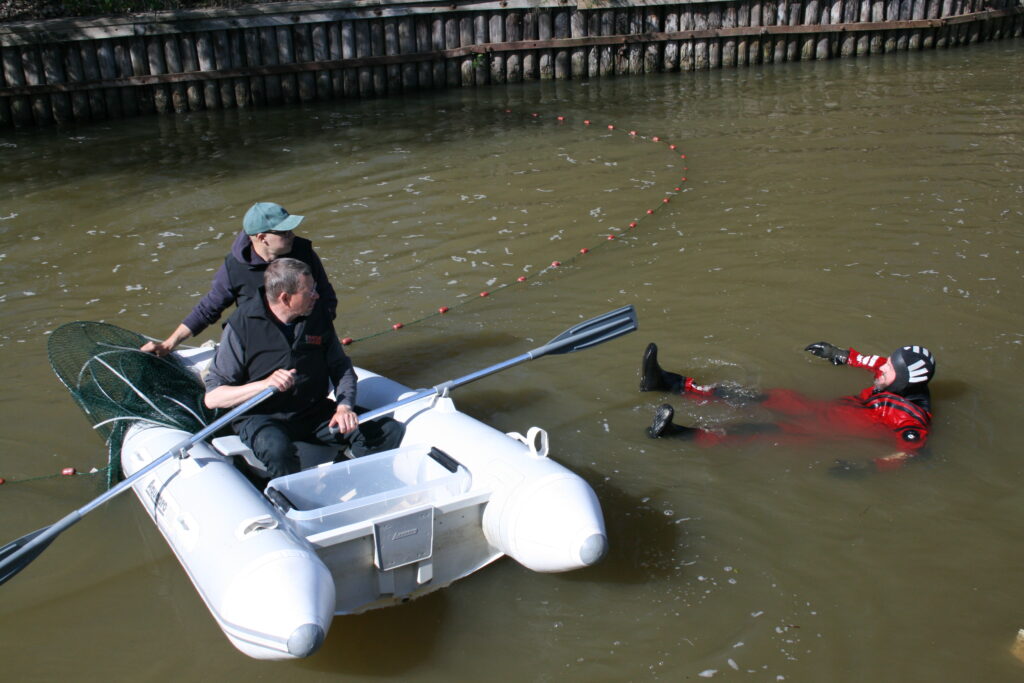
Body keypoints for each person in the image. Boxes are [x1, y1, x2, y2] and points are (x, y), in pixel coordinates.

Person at [204, 257, 403, 480]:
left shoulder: (317, 315)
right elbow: (213, 398)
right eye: (309, 292)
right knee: (276, 448)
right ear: (285, 298)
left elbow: (341, 367)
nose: (316, 296)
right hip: (262, 416)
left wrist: (344, 406)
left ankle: (340, 480)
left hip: (312, 411)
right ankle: (290, 499)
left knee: (387, 430)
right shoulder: (241, 326)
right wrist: (264, 385)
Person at [640, 341, 936, 471]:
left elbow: (911, 454)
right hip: (822, 409)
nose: (882, 369)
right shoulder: (894, 378)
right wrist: (840, 354)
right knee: (755, 396)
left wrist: (869, 466)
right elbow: (874, 361)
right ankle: (671, 383)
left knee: (755, 430)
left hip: (818, 432)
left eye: (889, 370)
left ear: (905, 382)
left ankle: (675, 433)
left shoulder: (910, 416)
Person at [142, 201, 337, 356]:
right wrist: (169, 343)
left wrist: (322, 330)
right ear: (262, 238)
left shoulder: (303, 251)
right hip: (258, 339)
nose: (292, 235)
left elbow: (326, 294)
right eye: (285, 232)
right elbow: (208, 308)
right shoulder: (234, 268)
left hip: (304, 333)